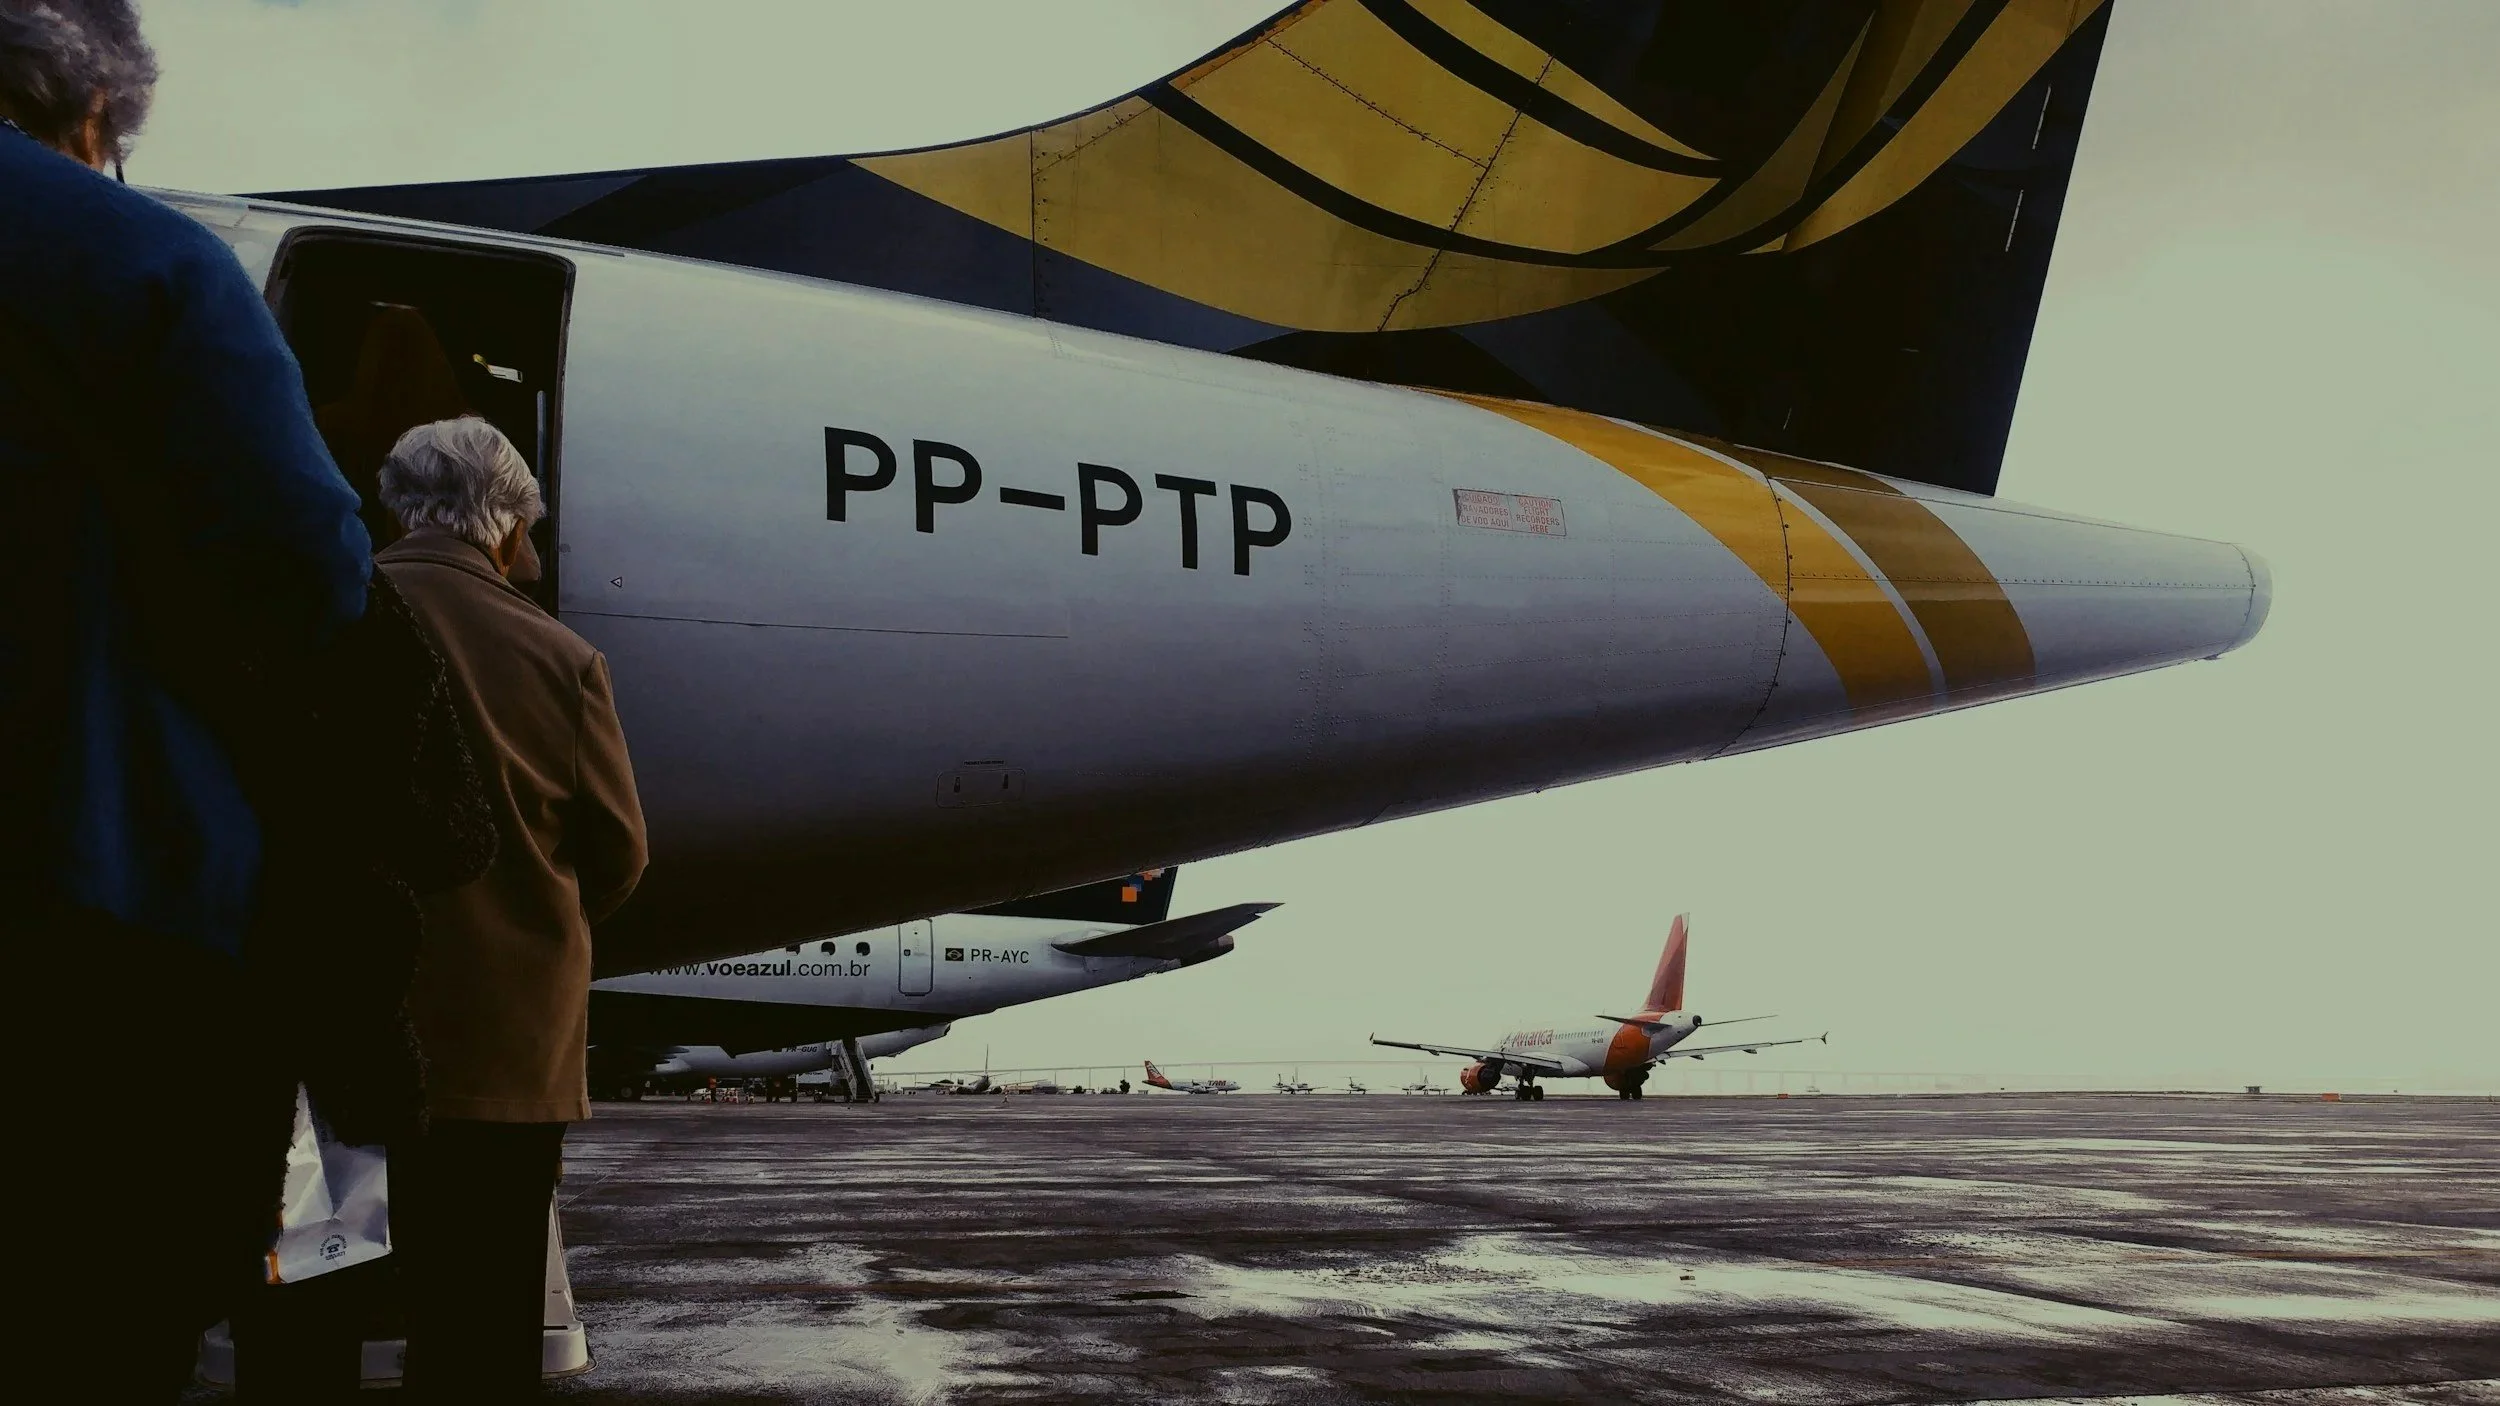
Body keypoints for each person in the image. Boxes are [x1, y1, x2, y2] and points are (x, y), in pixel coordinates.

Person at [0, 4, 406, 1399]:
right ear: (97, 111)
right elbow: (306, 561)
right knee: (88, 1323)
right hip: (88, 899)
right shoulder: (141, 257)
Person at [374, 416, 647, 1400]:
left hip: (337, 1016)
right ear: (505, 530)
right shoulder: (561, 657)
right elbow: (619, 854)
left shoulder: (327, 614)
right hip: (504, 1040)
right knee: (487, 1312)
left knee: (322, 1291)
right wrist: (535, 917)